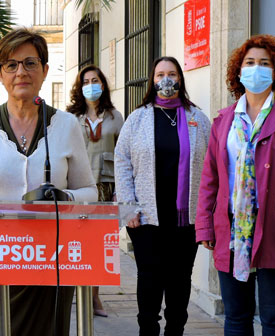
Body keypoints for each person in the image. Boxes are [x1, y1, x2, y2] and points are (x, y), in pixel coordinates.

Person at [0, 28, 97, 336]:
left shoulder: (66, 125)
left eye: (30, 63)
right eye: (11, 65)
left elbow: (89, 191)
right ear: (0, 74)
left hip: (52, 259)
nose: (21, 72)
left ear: (44, 71)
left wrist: (64, 197)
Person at [196, 34, 275, 335]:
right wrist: (205, 225)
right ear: (239, 70)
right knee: (236, 318)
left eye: (264, 63)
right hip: (233, 230)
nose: (256, 69)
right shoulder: (224, 120)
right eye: (250, 63)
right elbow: (210, 177)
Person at [114, 56, 211, 336]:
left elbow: (210, 168)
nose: (166, 80)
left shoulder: (198, 118)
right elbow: (122, 161)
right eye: (160, 75)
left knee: (180, 282)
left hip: (186, 219)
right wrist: (128, 207)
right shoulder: (138, 117)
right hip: (146, 218)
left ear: (180, 79)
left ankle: (175, 332)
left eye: (171, 74)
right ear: (152, 81)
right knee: (149, 281)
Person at [67, 64, 124, 317]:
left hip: (106, 187)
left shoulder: (115, 117)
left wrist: (118, 191)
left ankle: (95, 298)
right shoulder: (70, 118)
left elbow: (123, 155)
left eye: (95, 80)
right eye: (86, 81)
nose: (91, 85)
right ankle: (77, 294)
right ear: (80, 87)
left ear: (103, 84)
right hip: (78, 188)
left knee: (101, 245)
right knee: (77, 244)